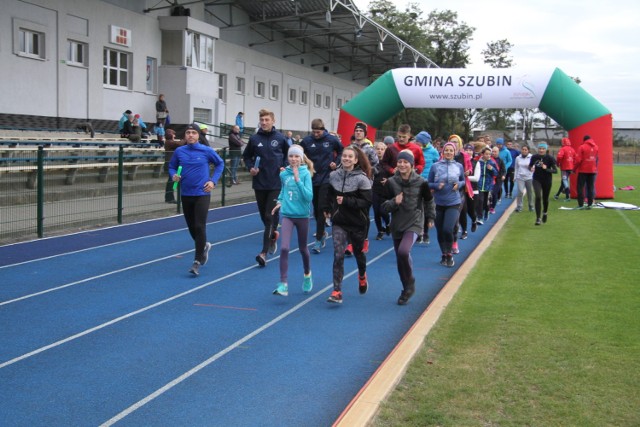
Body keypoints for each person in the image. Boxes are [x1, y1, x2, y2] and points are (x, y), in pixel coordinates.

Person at [168, 123, 224, 276]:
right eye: (188, 133)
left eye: (193, 132)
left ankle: (196, 262)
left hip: (202, 193)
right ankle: (204, 246)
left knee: (200, 226)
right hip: (186, 193)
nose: (190, 135)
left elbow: (220, 163)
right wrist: (173, 175)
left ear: (198, 135)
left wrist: (213, 181)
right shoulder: (179, 151)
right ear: (185, 135)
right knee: (192, 228)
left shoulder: (206, 150)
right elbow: (171, 166)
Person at [382, 149, 435, 305]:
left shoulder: (421, 182)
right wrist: (394, 202)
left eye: (406, 162)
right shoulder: (391, 182)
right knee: (400, 259)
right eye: (400, 162)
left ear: (412, 165)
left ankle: (410, 281)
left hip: (415, 221)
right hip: (398, 223)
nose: (402, 165)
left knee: (404, 251)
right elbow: (383, 207)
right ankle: (406, 289)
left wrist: (430, 217)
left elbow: (429, 201)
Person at [324, 145, 372, 304]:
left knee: (359, 253)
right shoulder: (333, 176)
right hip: (339, 222)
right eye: (344, 156)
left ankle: (362, 275)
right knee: (338, 255)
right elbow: (328, 195)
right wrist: (326, 208)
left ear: (356, 160)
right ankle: (337, 290)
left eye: (350, 157)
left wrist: (347, 201)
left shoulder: (362, 179)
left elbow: (366, 202)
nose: (346, 159)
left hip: (358, 223)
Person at [242, 109, 289, 267]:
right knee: (264, 217)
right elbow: (247, 156)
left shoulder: (281, 138)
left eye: (267, 120)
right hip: (260, 183)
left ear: (273, 121)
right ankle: (273, 235)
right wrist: (250, 168)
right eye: (262, 120)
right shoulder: (255, 139)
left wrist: (285, 167)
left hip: (276, 183)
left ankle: (263, 252)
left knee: (269, 216)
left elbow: (290, 157)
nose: (264, 122)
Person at [271, 145, 315, 296]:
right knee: (284, 248)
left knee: (303, 249)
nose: (294, 159)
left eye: (296, 156)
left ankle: (307, 274)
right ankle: (283, 283)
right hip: (288, 215)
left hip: (302, 215)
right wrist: (279, 201)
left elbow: (309, 197)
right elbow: (284, 191)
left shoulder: (305, 174)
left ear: (301, 158)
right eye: (291, 156)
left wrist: (298, 180)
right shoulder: (283, 174)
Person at [299, 118, 343, 254]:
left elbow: (341, 150)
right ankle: (322, 231)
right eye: (314, 132)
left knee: (321, 208)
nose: (316, 134)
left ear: (323, 130)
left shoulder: (331, 139)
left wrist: (336, 162)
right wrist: (303, 163)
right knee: (315, 208)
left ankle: (318, 240)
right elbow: (299, 153)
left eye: (318, 132)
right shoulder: (307, 141)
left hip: (326, 178)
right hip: (311, 178)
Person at [427, 142, 465, 268]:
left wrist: (458, 185)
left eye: (451, 150)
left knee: (447, 229)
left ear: (454, 152)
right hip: (438, 202)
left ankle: (449, 254)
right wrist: (436, 186)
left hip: (453, 202)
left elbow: (463, 181)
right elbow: (429, 183)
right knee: (439, 231)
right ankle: (444, 253)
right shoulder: (435, 166)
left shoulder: (459, 166)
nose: (448, 152)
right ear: (442, 152)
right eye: (446, 150)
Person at [417, 131, 439, 244]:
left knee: (426, 208)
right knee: (417, 208)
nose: (418, 143)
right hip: (417, 182)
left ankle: (425, 233)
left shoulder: (434, 152)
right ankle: (418, 233)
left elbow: (437, 166)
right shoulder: (416, 150)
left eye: (420, 141)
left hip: (428, 183)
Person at [529, 142, 557, 225]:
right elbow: (530, 166)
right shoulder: (534, 157)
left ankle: (545, 212)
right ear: (538, 149)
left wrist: (546, 168)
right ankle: (538, 218)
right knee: (538, 197)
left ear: (546, 149)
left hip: (547, 180)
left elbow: (555, 171)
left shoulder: (550, 158)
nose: (541, 150)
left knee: (545, 198)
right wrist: (531, 168)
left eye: (543, 149)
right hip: (536, 179)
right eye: (540, 148)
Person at [469, 147, 497, 224]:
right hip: (480, 185)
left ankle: (487, 211)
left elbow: (496, 173)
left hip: (488, 185)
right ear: (482, 154)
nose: (488, 156)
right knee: (480, 201)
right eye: (486, 154)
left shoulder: (492, 163)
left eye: (489, 154)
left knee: (486, 202)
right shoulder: (478, 162)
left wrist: (492, 169)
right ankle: (480, 217)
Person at [574, 135, 599, 209]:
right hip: (592, 170)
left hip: (583, 170)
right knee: (590, 187)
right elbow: (596, 159)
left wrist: (574, 169)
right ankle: (590, 204)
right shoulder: (596, 147)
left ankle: (581, 204)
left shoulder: (582, 147)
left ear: (584, 140)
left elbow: (578, 160)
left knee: (580, 187)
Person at [372, 141, 391, 240]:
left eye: (382, 149)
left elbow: (393, 174)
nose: (379, 151)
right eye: (378, 149)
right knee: (376, 212)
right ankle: (380, 230)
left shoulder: (388, 163)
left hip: (386, 190)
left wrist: (388, 180)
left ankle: (388, 224)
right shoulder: (373, 162)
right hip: (374, 189)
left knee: (383, 211)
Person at [164, 128, 184, 203]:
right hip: (169, 163)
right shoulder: (169, 142)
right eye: (173, 134)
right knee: (171, 181)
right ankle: (169, 198)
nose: (174, 135)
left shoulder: (170, 142)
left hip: (171, 163)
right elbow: (179, 144)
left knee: (172, 181)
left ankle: (169, 197)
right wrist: (185, 139)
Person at [513, 144, 534, 213]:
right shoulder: (518, 158)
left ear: (528, 151)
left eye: (526, 150)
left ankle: (531, 206)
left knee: (530, 192)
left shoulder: (531, 157)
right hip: (520, 177)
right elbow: (516, 167)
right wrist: (515, 177)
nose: (524, 151)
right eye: (523, 149)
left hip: (529, 177)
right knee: (520, 192)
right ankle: (519, 206)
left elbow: (533, 169)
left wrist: (530, 167)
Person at [554, 137, 576, 201]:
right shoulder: (572, 149)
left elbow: (559, 156)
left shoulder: (563, 149)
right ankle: (557, 195)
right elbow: (575, 158)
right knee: (563, 182)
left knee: (564, 180)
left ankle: (567, 196)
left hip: (564, 167)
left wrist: (558, 163)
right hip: (571, 168)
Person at [489, 146, 506, 215]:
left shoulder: (500, 160)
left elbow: (503, 170)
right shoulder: (489, 159)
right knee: (489, 194)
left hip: (498, 179)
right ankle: (488, 206)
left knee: (494, 193)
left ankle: (492, 207)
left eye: (495, 152)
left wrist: (503, 175)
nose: (493, 153)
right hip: (490, 179)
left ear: (498, 152)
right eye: (492, 151)